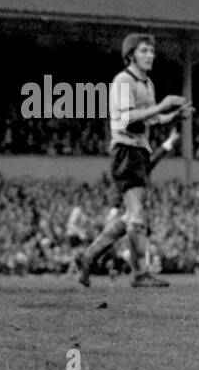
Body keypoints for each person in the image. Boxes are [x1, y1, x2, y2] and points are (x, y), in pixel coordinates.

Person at [75, 35, 191, 287]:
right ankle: (140, 274)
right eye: (144, 51)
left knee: (131, 217)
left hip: (139, 152)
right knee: (138, 214)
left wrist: (172, 116)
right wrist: (161, 107)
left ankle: (89, 255)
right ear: (131, 55)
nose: (151, 55)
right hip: (125, 150)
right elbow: (127, 118)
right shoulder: (123, 81)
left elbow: (148, 120)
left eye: (152, 51)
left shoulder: (147, 83)